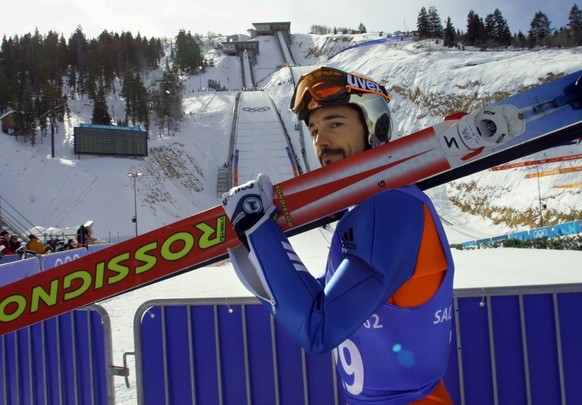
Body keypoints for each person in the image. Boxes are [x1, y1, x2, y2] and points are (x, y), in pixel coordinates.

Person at [221, 67, 454, 404]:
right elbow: (316, 298)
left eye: (335, 124)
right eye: (314, 130)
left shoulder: (392, 209)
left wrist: (258, 228)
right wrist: (252, 244)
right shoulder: (368, 210)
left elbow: (319, 328)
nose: (321, 142)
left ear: (376, 127)